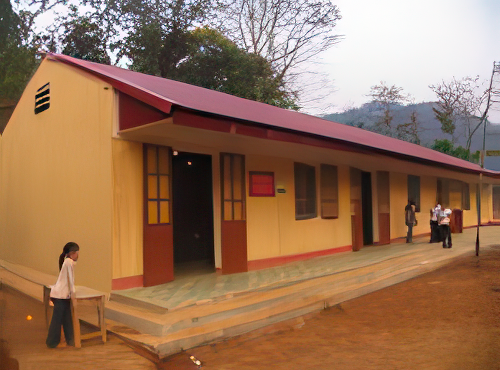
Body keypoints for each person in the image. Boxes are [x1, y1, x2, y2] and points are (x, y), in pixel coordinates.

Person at [46, 242, 80, 348]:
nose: (78, 255)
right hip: (60, 296)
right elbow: (71, 280)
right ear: (72, 253)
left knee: (66, 318)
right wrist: (73, 294)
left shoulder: (68, 262)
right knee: (57, 320)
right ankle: (52, 342)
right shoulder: (68, 262)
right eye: (77, 253)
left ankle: (71, 340)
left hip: (63, 296)